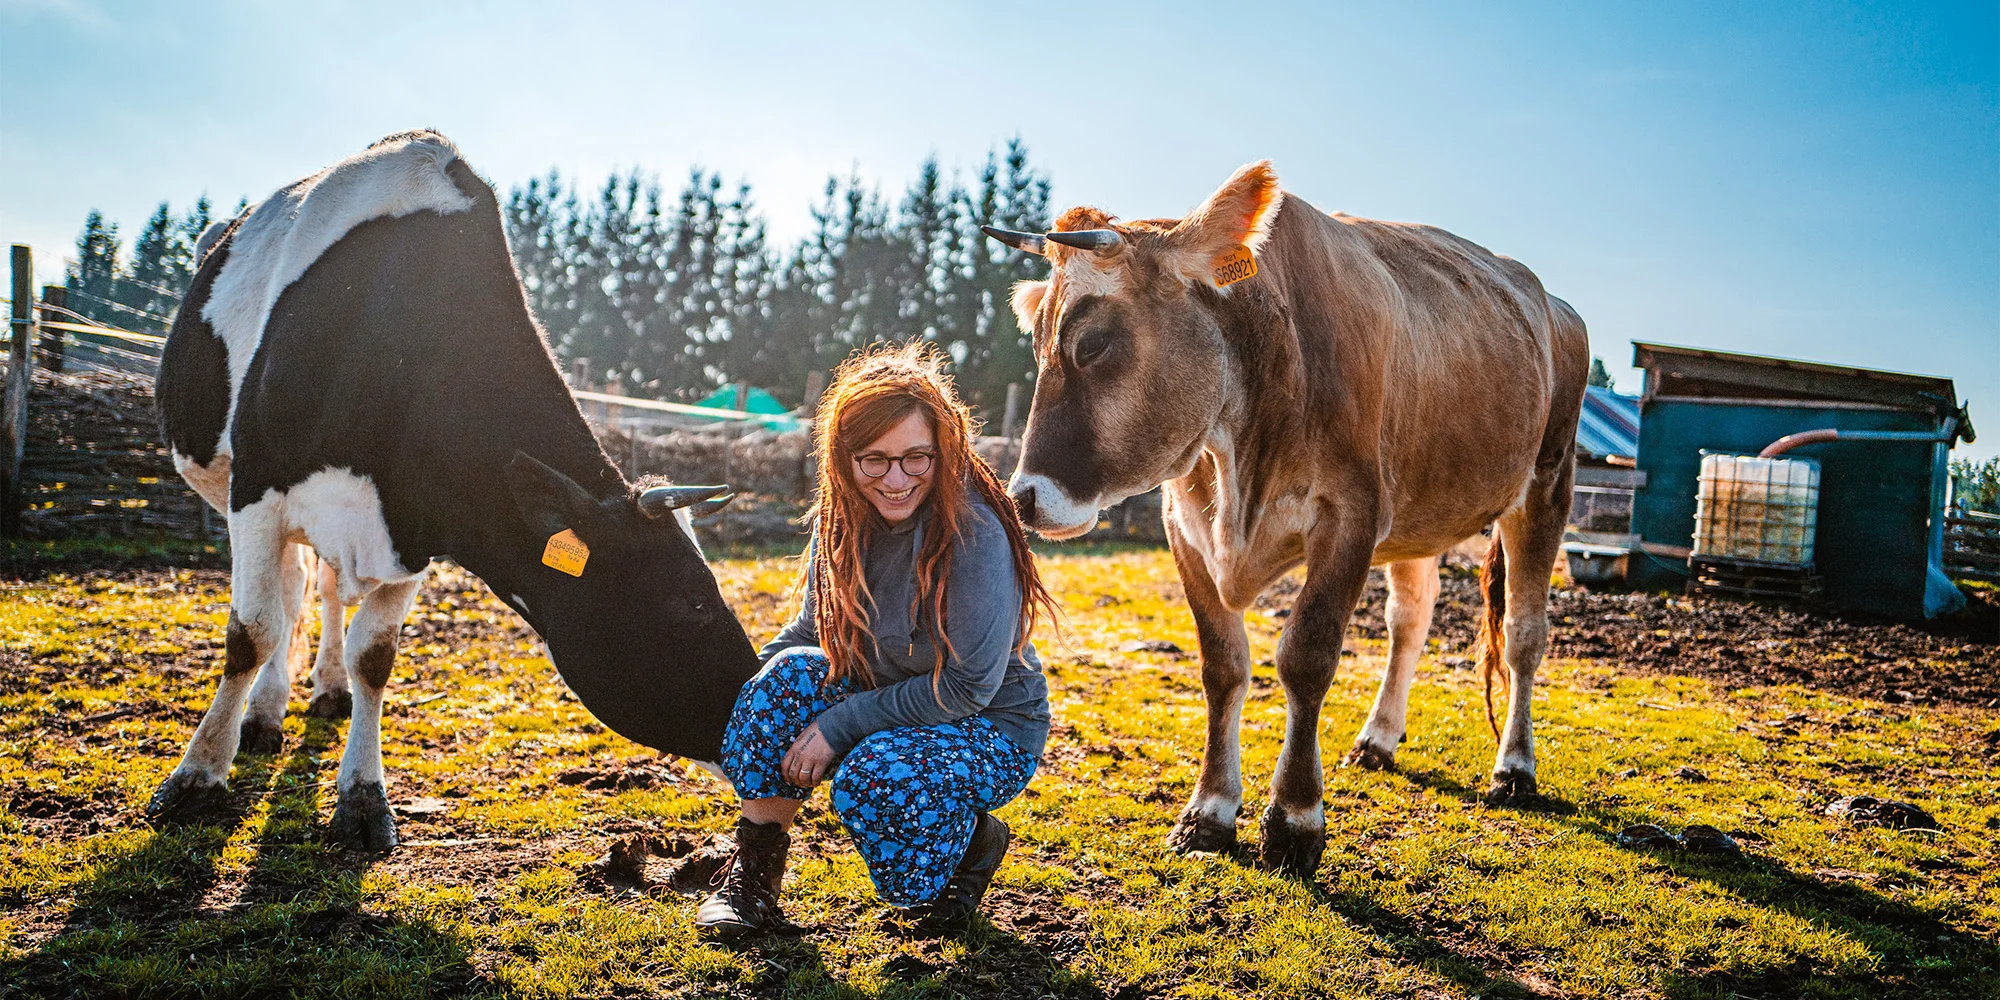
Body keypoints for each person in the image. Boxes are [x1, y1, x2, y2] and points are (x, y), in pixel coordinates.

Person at [696, 343, 1062, 939]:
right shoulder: (840, 518)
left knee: (875, 777)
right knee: (780, 684)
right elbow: (812, 634)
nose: (896, 481)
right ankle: (753, 882)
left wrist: (841, 726)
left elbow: (967, 685)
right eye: (874, 461)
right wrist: (748, 697)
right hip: (885, 692)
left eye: (916, 458)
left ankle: (971, 844)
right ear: (843, 459)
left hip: (989, 724)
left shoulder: (975, 531)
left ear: (945, 449)